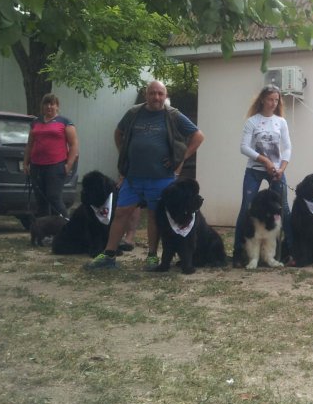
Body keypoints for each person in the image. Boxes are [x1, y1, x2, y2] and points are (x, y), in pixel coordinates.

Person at [85, 81, 204, 269]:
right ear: (146, 95)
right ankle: (108, 255)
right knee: (121, 213)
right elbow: (118, 133)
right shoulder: (134, 113)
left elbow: (198, 136)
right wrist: (124, 154)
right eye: (152, 93)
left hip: (161, 178)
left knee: (154, 215)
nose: (156, 97)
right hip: (132, 176)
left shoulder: (173, 115)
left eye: (160, 94)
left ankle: (152, 257)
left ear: (165, 96)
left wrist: (180, 159)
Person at [233, 84, 292, 267]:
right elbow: (244, 147)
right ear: (262, 100)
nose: (273, 103)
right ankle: (238, 252)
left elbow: (287, 147)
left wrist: (281, 167)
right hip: (254, 170)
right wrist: (264, 161)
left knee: (283, 208)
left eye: (276, 100)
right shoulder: (252, 121)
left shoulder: (280, 122)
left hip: (276, 171)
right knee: (246, 208)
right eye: (270, 99)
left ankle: (289, 251)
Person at [23, 93, 79, 218]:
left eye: (52, 104)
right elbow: (29, 144)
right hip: (37, 165)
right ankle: (44, 232)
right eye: (46, 104)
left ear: (57, 106)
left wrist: (69, 165)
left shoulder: (65, 122)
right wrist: (26, 163)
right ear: (42, 106)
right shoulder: (35, 123)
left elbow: (74, 145)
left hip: (56, 165)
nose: (49, 107)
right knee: (41, 200)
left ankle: (64, 227)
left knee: (53, 197)